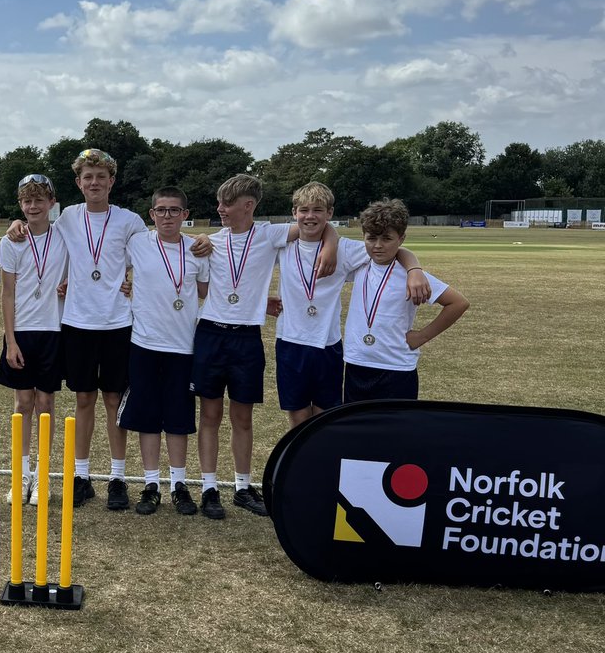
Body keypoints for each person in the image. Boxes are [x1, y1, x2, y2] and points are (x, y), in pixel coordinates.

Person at [189, 174, 337, 521]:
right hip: (210, 333)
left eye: (226, 204)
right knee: (209, 415)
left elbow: (315, 226)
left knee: (242, 416)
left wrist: (330, 245)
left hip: (246, 339)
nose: (220, 209)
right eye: (219, 203)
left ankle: (242, 487)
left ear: (248, 205)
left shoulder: (270, 235)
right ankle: (209, 487)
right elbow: (202, 289)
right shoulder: (211, 241)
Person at [7, 148, 147, 510]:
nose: (95, 182)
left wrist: (132, 282)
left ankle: (117, 477)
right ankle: (81, 477)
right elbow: (34, 226)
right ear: (78, 183)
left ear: (112, 180)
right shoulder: (68, 217)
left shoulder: (129, 221)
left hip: (117, 322)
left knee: (114, 400)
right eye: (88, 177)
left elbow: (151, 259)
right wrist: (15, 224)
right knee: (83, 399)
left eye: (101, 176)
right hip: (77, 323)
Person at [273, 182, 429, 428]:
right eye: (303, 210)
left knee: (326, 418)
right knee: (298, 418)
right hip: (290, 343)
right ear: (294, 213)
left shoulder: (345, 249)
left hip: (328, 345)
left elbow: (390, 248)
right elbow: (248, 263)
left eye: (318, 210)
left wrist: (414, 268)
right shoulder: (282, 243)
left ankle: (325, 464)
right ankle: (303, 466)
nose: (310, 216)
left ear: (330, 214)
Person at [118, 187, 210, 516]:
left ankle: (180, 485)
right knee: (147, 417)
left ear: (186, 214)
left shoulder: (198, 249)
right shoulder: (138, 243)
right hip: (144, 343)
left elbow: (205, 291)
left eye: (174, 210)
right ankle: (151, 484)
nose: (167, 216)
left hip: (183, 346)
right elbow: (104, 264)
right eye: (161, 210)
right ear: (151, 214)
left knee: (178, 417)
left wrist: (205, 240)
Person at [342, 198, 469, 401]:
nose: (378, 246)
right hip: (357, 363)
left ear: (401, 239)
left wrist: (423, 336)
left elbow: (458, 303)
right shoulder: (358, 264)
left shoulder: (413, 277)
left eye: (387, 238)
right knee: (357, 429)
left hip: (396, 367)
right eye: (371, 238)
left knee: (397, 431)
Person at [0, 173, 68, 505]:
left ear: (52, 203)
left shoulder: (66, 235)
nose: (33, 206)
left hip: (54, 330)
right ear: (20, 205)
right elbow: (7, 294)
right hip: (22, 331)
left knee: (46, 405)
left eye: (40, 200)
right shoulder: (11, 241)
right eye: (27, 201)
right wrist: (10, 340)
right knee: (23, 404)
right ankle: (21, 475)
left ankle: (42, 476)